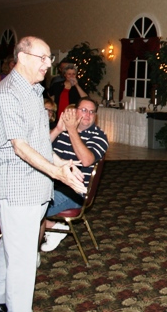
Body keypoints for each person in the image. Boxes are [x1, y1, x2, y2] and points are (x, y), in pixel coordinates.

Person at [0, 36, 85, 312]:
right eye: (42, 58)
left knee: (12, 248)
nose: (49, 64)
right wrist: (57, 172)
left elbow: (39, 143)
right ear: (22, 58)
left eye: (49, 58)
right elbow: (20, 147)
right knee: (23, 262)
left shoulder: (33, 92)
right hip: (17, 188)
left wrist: (61, 162)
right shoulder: (6, 95)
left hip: (36, 187)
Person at [41, 97, 109, 252]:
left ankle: (49, 229)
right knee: (20, 201)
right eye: (84, 110)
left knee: (29, 208)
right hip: (49, 185)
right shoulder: (62, 133)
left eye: (92, 112)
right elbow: (38, 149)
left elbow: (86, 160)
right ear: (75, 111)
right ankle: (52, 227)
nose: (88, 115)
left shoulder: (99, 136)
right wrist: (58, 130)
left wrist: (72, 130)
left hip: (73, 192)